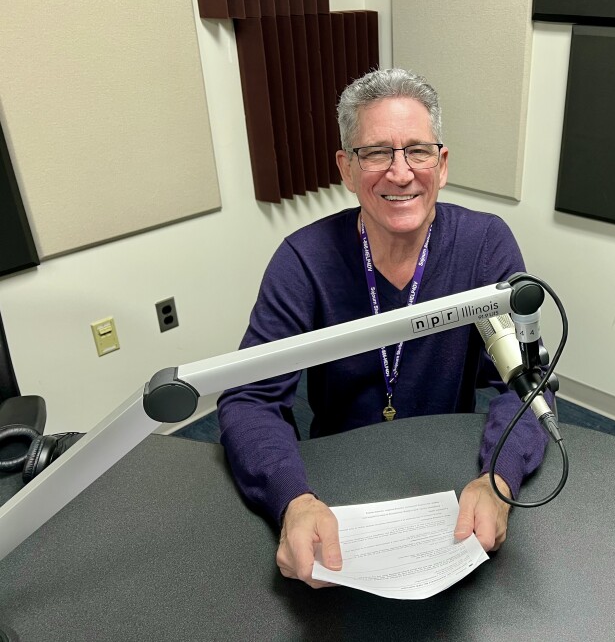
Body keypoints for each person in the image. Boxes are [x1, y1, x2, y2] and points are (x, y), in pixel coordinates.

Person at [218, 68, 548, 588]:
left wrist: (498, 477)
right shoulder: (303, 260)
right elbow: (249, 399)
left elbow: (527, 383)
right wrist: (292, 499)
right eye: (375, 153)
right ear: (347, 169)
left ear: (441, 165)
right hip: (334, 480)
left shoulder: (485, 244)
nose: (400, 173)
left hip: (451, 476)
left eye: (417, 151)